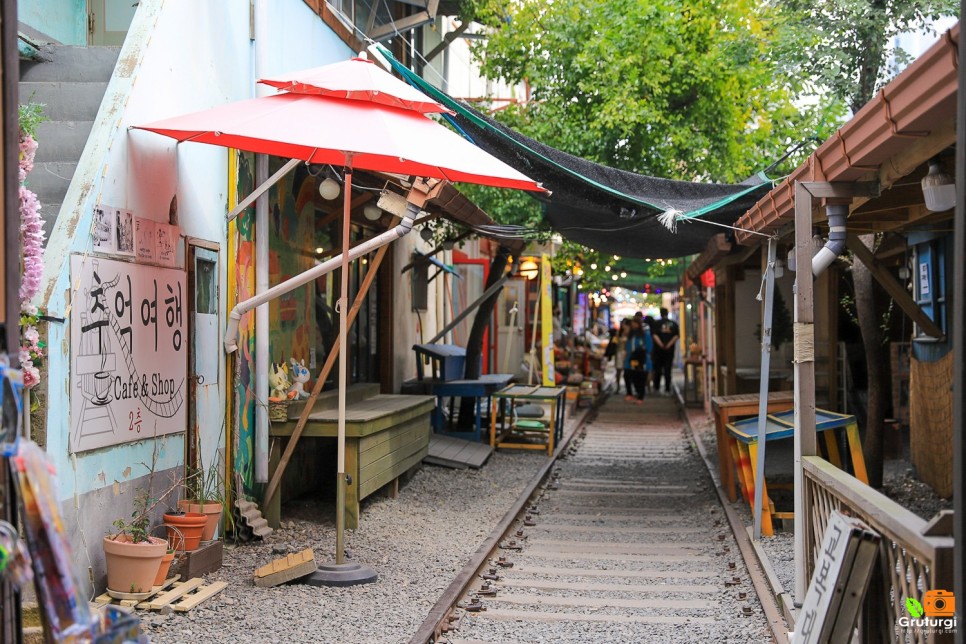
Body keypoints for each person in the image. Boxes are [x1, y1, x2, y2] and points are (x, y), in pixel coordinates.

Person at [623, 317, 652, 404]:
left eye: (635, 323)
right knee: (629, 375)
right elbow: (627, 346)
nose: (633, 325)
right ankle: (631, 393)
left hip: (641, 359)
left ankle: (640, 396)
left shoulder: (644, 335)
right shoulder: (630, 335)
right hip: (631, 358)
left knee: (640, 377)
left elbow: (649, 347)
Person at [651, 307, 679, 396]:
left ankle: (656, 387)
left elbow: (654, 335)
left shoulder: (656, 323)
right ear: (667, 313)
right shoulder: (673, 324)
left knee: (657, 369)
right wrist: (668, 345)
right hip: (669, 351)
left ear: (660, 313)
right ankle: (667, 388)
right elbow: (676, 336)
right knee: (668, 369)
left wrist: (661, 345)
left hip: (658, 351)